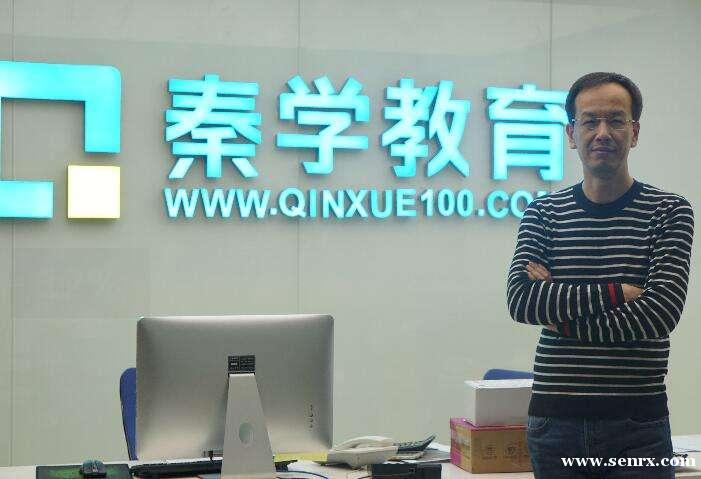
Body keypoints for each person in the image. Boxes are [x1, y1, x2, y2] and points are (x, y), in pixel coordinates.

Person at [506, 72, 694, 478]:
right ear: (572, 134)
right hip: (554, 422)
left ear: (634, 132)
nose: (603, 133)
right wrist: (618, 292)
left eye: (616, 120)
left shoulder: (669, 212)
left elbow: (658, 315)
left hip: (637, 425)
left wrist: (559, 315)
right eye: (590, 121)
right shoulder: (544, 213)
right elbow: (522, 301)